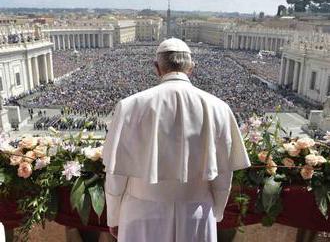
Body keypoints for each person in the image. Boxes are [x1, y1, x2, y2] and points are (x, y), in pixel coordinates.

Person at [103, 38, 251, 242]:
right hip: (196, 212)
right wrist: (216, 212)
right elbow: (223, 175)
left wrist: (114, 216)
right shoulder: (219, 108)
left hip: (141, 212)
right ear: (191, 67)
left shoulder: (129, 106)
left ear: (157, 68)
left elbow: (115, 174)